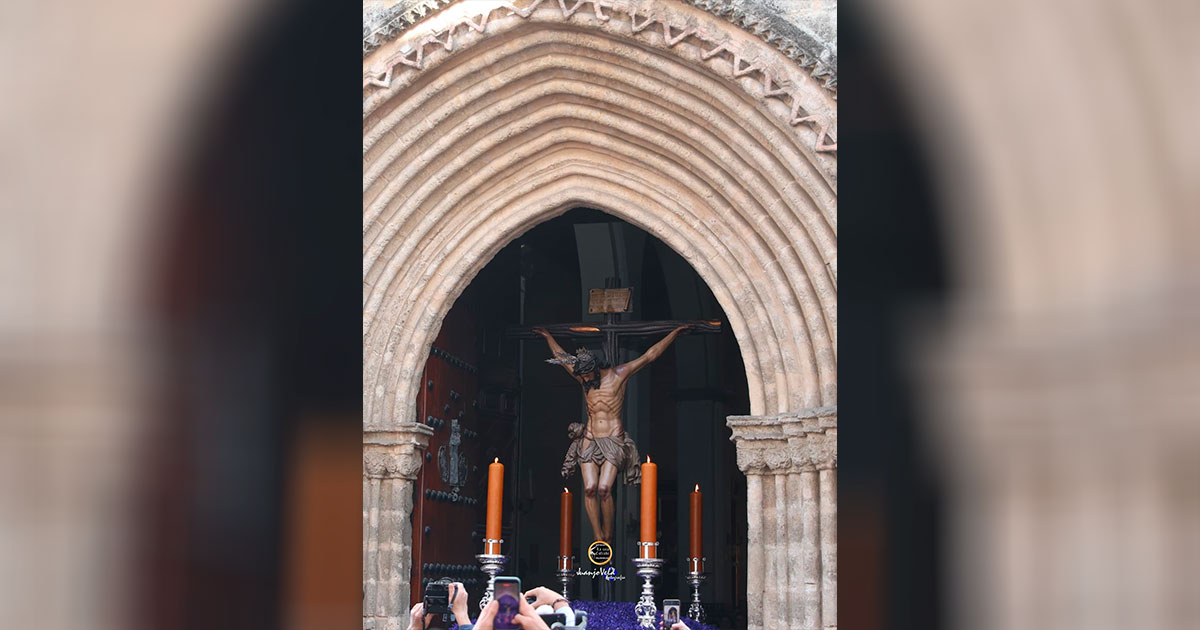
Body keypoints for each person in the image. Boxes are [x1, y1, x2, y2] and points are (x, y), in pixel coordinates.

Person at [535, 325, 690, 542]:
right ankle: (599, 537)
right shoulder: (583, 379)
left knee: (604, 488)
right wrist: (547, 335)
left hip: (613, 439)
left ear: (595, 369)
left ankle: (608, 533)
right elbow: (561, 357)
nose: (585, 379)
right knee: (589, 489)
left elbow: (649, 356)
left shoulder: (619, 375)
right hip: (590, 439)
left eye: (588, 375)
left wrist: (673, 334)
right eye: (582, 376)